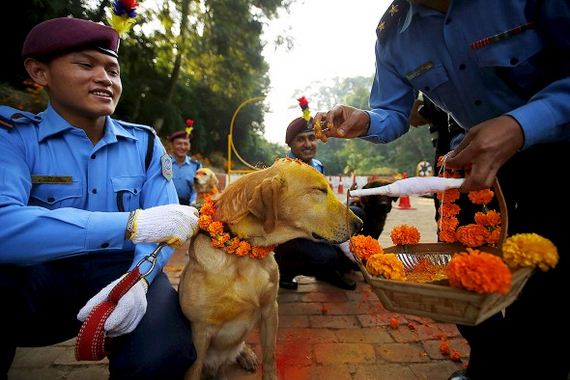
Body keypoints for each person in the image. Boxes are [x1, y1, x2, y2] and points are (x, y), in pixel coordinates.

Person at [314, 1, 570, 379]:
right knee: (459, 272)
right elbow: (393, 112)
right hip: (469, 166)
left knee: (543, 286)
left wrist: (519, 125)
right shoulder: (393, 33)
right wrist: (365, 120)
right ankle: (490, 363)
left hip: (557, 152)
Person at [0, 17, 201, 380]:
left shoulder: (145, 145)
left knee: (166, 352)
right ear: (39, 72)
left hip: (122, 273)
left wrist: (138, 280)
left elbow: (166, 225)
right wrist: (130, 224)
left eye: (112, 70)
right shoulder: (13, 137)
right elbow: (4, 226)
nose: (105, 79)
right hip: (37, 277)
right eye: (86, 64)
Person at [273, 116, 362, 291]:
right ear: (290, 144)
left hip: (316, 224)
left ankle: (338, 266)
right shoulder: (282, 171)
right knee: (328, 255)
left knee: (359, 212)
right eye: (300, 139)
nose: (308, 144)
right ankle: (285, 271)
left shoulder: (317, 166)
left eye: (311, 138)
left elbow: (322, 201)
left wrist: (347, 199)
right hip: (291, 233)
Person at [168, 128, 202, 206]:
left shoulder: (196, 166)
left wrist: (193, 204)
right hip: (167, 205)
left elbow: (197, 189)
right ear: (172, 145)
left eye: (186, 144)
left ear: (189, 146)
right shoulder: (164, 163)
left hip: (188, 206)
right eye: (179, 143)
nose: (183, 147)